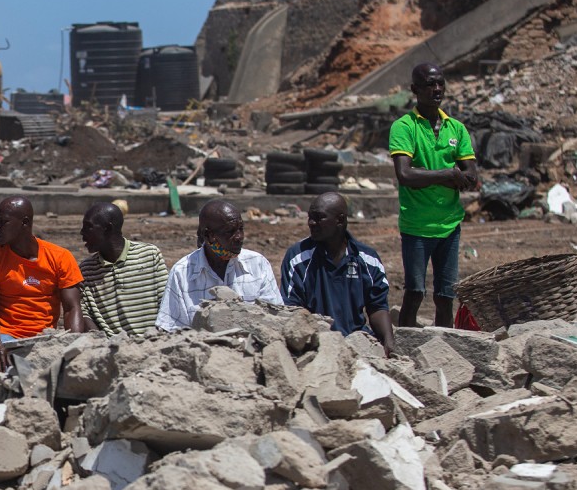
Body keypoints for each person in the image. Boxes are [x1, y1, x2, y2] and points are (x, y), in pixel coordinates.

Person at [390, 63, 479, 328]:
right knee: (415, 292)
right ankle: (402, 345)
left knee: (445, 296)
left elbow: (471, 177)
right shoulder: (404, 127)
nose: (436, 89)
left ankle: (443, 348)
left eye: (440, 83)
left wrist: (432, 176)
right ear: (415, 89)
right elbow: (405, 175)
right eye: (430, 84)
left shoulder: (456, 129)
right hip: (417, 226)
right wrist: (449, 175)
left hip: (449, 226)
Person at [0, 196, 85, 375]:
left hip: (45, 337)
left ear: (24, 223)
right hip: (5, 338)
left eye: (3, 222)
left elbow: (72, 308)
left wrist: (74, 345)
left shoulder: (60, 257)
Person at [281, 192, 396, 357]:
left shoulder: (368, 259)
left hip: (358, 344)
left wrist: (388, 342)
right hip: (316, 347)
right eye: (310, 217)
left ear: (340, 220)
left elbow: (377, 306)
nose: (311, 223)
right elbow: (292, 310)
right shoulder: (298, 258)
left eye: (319, 218)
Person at [156, 199, 282, 331]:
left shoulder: (257, 264)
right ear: (209, 236)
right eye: (230, 232)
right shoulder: (182, 273)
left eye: (241, 229)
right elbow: (171, 329)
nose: (239, 237)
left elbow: (275, 319)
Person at [78, 202, 168, 336]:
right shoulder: (86, 270)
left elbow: (166, 303)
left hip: (153, 344)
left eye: (88, 227)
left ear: (107, 229)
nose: (82, 233)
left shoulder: (149, 255)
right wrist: (102, 343)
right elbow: (85, 314)